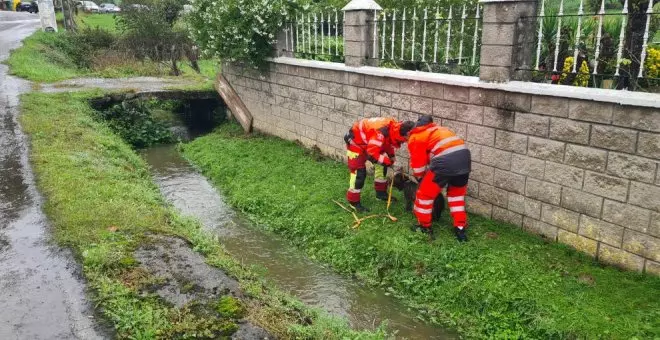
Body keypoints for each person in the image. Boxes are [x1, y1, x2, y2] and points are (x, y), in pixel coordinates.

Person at [407, 115, 471, 241]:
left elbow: (418, 164)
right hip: (465, 160)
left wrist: (420, 178)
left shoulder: (416, 136)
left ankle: (424, 227)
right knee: (456, 196)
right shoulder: (440, 130)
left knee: (424, 195)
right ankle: (460, 228)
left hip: (444, 162)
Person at [344, 117, 415, 212]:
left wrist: (391, 156)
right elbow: (372, 154)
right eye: (408, 138)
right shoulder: (380, 133)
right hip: (356, 143)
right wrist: (388, 162)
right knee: (358, 173)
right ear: (407, 133)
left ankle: (381, 194)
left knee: (382, 166)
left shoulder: (393, 128)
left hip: (369, 144)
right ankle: (353, 202)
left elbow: (387, 142)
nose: (406, 141)